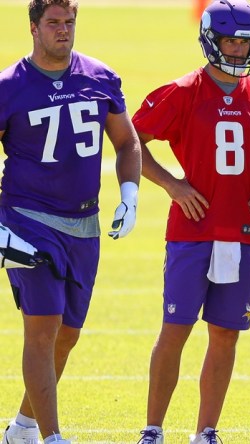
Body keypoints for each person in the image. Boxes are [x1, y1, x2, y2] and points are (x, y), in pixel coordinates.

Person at [130, 1, 250, 444]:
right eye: (231, 41)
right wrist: (171, 185)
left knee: (225, 335)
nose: (238, 50)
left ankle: (206, 432)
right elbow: (131, 141)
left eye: (245, 42)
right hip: (192, 231)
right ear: (211, 40)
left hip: (243, 233)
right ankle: (153, 428)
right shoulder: (182, 92)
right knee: (175, 329)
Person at [0, 1, 141, 443]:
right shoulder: (9, 86)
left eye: (69, 22)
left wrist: (130, 196)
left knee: (67, 335)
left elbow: (127, 142)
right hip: (27, 219)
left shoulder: (99, 77)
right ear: (33, 28)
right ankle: (52, 437)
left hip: (84, 223)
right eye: (53, 23)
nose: (63, 31)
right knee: (42, 328)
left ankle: (22, 428)